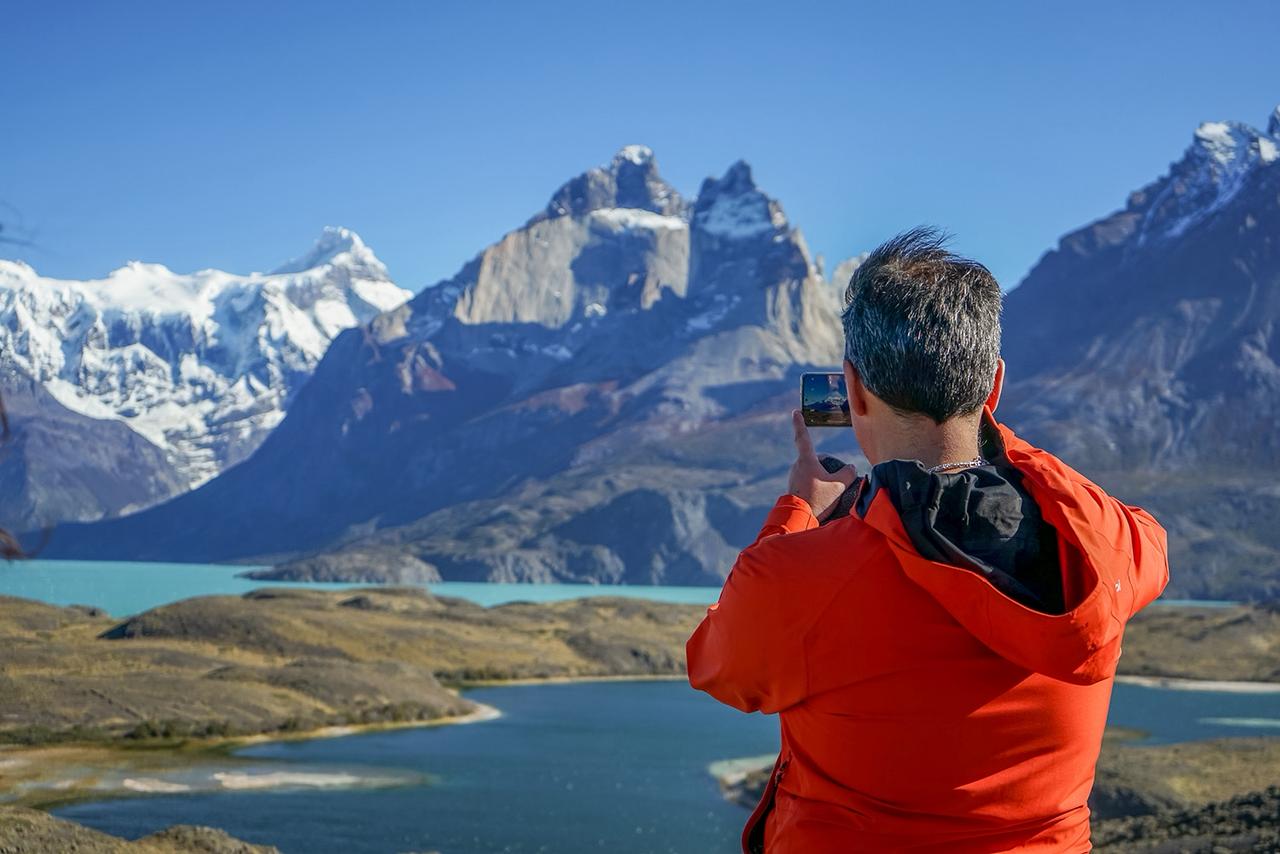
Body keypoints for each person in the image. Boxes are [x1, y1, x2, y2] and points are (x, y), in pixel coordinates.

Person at [685, 227, 1169, 853]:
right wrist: (1003, 451)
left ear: (853, 391)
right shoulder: (1104, 552)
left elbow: (716, 665)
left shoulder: (795, 577)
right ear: (993, 388)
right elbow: (1146, 536)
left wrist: (799, 511)